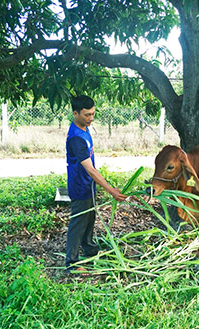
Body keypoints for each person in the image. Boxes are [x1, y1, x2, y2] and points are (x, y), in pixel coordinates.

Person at [65, 95, 126, 273]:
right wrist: (111, 190)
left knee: (89, 218)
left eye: (93, 114)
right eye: (86, 115)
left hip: (88, 185)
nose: (91, 118)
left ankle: (90, 248)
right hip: (80, 186)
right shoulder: (76, 137)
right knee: (78, 222)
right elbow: (90, 170)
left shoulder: (84, 128)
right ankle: (72, 263)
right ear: (75, 113)